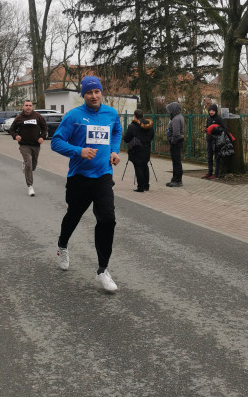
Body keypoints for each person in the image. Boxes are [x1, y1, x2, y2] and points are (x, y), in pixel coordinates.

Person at [51, 76, 122, 293]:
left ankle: (103, 269)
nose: (93, 96)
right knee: (73, 215)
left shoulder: (110, 113)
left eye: (97, 92)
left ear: (102, 93)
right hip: (79, 177)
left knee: (108, 219)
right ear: (83, 95)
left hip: (102, 176)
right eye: (89, 92)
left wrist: (114, 150)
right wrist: (78, 151)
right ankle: (62, 245)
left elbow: (117, 131)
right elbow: (56, 142)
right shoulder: (74, 116)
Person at [9, 100, 47, 196]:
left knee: (33, 166)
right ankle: (30, 186)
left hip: (35, 145)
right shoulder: (19, 118)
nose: (28, 107)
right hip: (24, 145)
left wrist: (42, 137)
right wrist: (16, 136)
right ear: (23, 107)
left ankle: (25, 165)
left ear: (32, 107)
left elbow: (45, 128)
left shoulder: (38, 116)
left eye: (30, 105)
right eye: (26, 105)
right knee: (29, 164)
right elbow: (12, 129)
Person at [123, 108, 154, 192]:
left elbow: (126, 138)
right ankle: (146, 186)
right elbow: (152, 137)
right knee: (145, 166)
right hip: (146, 149)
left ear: (135, 116)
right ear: (142, 116)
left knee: (138, 167)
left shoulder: (132, 126)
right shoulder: (150, 126)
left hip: (136, 149)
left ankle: (140, 187)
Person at [165, 101, 184, 187]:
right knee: (176, 161)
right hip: (177, 141)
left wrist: (172, 141)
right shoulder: (179, 117)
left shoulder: (176, 119)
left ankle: (177, 180)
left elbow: (176, 133)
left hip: (176, 142)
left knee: (176, 162)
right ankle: (175, 178)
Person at [205, 103, 226, 179]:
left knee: (217, 157)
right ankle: (209, 172)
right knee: (209, 156)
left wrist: (216, 129)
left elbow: (224, 129)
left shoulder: (218, 119)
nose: (211, 112)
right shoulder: (208, 118)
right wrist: (206, 129)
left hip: (217, 141)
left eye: (213, 111)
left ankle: (216, 174)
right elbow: (208, 128)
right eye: (210, 110)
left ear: (216, 111)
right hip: (209, 140)